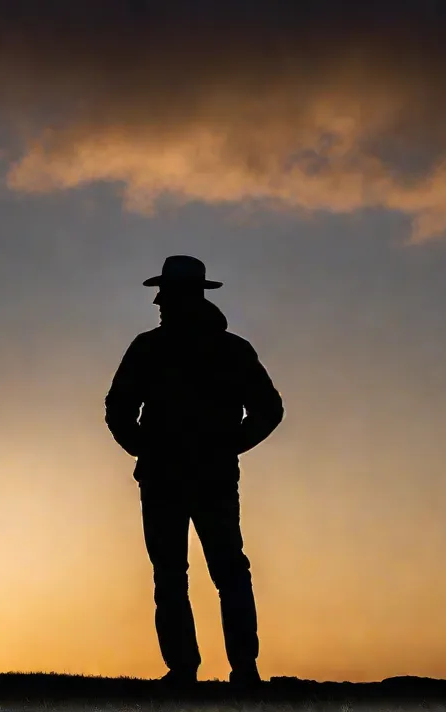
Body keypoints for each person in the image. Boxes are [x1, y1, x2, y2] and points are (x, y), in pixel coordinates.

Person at [105, 255, 284, 688]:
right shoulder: (220, 350)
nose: (159, 303)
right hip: (193, 477)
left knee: (198, 573)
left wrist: (219, 448)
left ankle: (213, 669)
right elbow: (118, 410)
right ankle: (223, 669)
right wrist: (155, 451)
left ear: (186, 296)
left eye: (165, 295)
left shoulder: (166, 348)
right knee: (204, 573)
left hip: (192, 477)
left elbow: (269, 410)